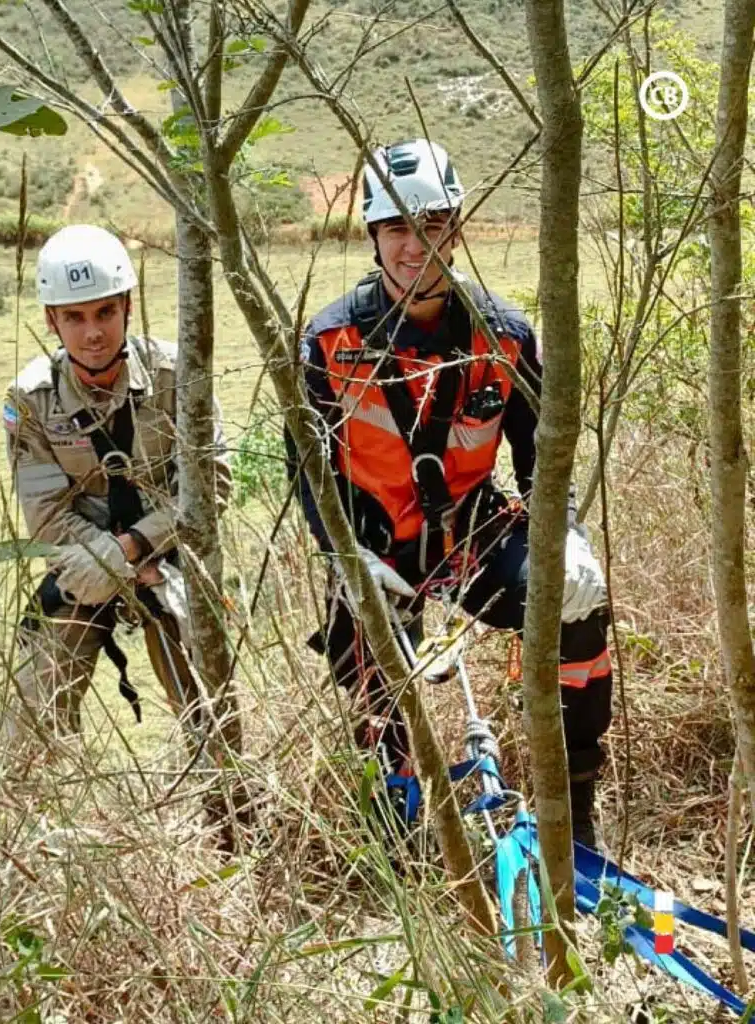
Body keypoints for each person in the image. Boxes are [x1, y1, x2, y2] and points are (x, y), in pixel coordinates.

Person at [291, 139, 612, 846]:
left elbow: (539, 461)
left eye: (433, 224)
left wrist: (567, 538)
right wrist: (343, 555)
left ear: (457, 228)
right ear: (374, 236)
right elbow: (308, 472)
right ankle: (397, 831)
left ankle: (577, 807)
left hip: (473, 534)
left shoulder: (506, 335)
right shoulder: (327, 342)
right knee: (379, 695)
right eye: (398, 228)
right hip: (374, 546)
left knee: (579, 611)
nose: (416, 247)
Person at [2, 223, 233, 743]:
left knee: (211, 714)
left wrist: (134, 549)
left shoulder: (178, 376)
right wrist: (114, 563)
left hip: (172, 561)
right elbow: (46, 518)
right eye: (74, 317)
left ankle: (229, 812)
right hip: (82, 566)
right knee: (31, 721)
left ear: (127, 305)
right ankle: (33, 813)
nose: (93, 332)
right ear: (51, 321)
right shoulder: (30, 400)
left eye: (105, 311)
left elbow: (210, 487)